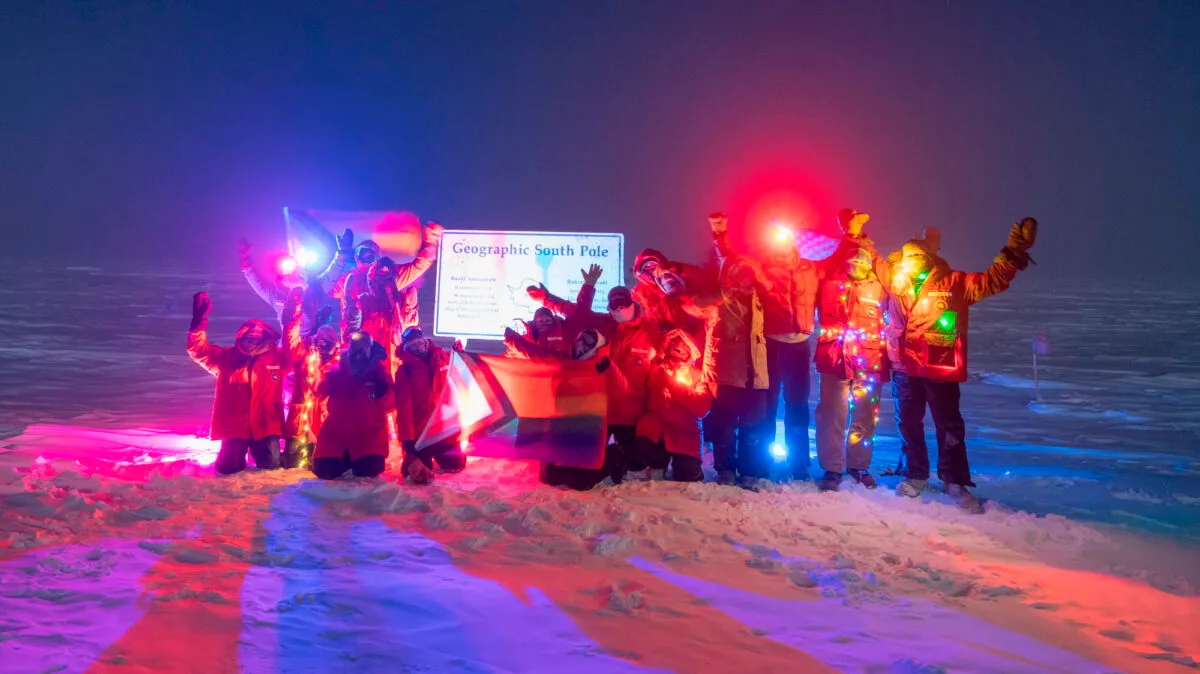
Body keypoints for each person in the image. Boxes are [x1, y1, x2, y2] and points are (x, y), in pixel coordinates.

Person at [861, 218, 1039, 511]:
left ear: (929, 260)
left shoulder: (954, 282)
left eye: (915, 259)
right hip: (904, 367)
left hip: (939, 367)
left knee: (949, 425)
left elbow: (991, 280)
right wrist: (857, 235)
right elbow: (874, 258)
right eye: (906, 260)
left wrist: (1013, 252)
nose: (909, 265)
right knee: (908, 423)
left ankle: (954, 480)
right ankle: (916, 473)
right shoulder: (895, 279)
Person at [752, 208, 864, 481]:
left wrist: (850, 234)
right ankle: (760, 463)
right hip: (770, 346)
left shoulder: (810, 269)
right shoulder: (762, 270)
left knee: (797, 404)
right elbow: (732, 263)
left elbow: (837, 259)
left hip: (799, 347)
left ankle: (798, 461)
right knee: (766, 404)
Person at [187, 291, 293, 475]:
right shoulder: (226, 358)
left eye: (257, 337)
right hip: (234, 425)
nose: (253, 340)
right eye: (249, 337)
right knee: (227, 470)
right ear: (240, 337)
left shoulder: (277, 358)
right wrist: (198, 323)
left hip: (266, 424)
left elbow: (295, 351)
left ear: (266, 337)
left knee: (271, 470)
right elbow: (197, 350)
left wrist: (292, 322)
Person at [813, 248, 888, 491]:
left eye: (861, 261)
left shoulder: (881, 288)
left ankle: (858, 465)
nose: (855, 264)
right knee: (832, 415)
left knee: (865, 416)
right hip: (834, 358)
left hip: (869, 360)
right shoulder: (827, 284)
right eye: (851, 259)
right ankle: (832, 468)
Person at [705, 215, 770, 487]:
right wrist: (721, 235)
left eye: (748, 275)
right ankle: (725, 469)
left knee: (753, 426)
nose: (744, 279)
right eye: (739, 274)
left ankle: (750, 471)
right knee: (725, 425)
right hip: (727, 371)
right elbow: (727, 257)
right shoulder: (720, 297)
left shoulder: (762, 298)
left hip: (755, 371)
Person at [536, 328, 631, 490]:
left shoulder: (603, 366)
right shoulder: (566, 364)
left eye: (587, 343)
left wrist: (610, 370)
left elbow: (622, 390)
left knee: (580, 482)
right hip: (566, 429)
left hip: (589, 431)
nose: (581, 347)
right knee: (548, 476)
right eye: (580, 341)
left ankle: (614, 455)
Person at [311, 331, 394, 480]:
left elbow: (391, 404)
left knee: (369, 476)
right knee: (323, 472)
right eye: (355, 350)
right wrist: (323, 369)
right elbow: (318, 392)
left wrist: (383, 390)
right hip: (336, 438)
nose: (358, 355)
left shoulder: (380, 371)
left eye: (362, 350)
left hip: (368, 440)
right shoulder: (336, 369)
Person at [635, 329, 711, 481]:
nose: (678, 346)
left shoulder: (697, 375)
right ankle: (658, 462)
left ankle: (689, 467)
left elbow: (702, 408)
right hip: (658, 430)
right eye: (674, 342)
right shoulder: (655, 370)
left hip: (685, 433)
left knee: (686, 474)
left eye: (683, 344)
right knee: (645, 447)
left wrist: (673, 385)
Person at [394, 327, 467, 483]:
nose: (419, 348)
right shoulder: (404, 371)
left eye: (420, 343)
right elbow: (404, 409)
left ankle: (445, 450)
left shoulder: (442, 358)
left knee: (455, 464)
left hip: (444, 430)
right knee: (419, 475)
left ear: (425, 341)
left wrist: (460, 355)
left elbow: (459, 375)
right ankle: (413, 458)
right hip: (422, 434)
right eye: (413, 346)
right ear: (406, 348)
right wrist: (408, 442)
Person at [283, 300, 340, 470]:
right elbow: (291, 344)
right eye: (319, 343)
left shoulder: (340, 364)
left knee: (321, 466)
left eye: (326, 344)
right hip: (300, 421)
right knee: (290, 465)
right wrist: (292, 321)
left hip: (325, 423)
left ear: (334, 345)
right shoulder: (304, 357)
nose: (322, 346)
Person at [527, 264, 620, 343]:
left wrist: (546, 298)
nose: (544, 324)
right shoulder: (567, 327)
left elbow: (577, 311)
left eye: (547, 320)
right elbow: (579, 311)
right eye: (541, 321)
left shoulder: (567, 326)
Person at [236, 238, 306, 329]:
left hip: (311, 340)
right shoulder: (275, 293)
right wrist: (245, 260)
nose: (287, 269)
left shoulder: (309, 288)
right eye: (283, 266)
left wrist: (301, 285)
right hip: (288, 341)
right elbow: (256, 283)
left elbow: (318, 293)